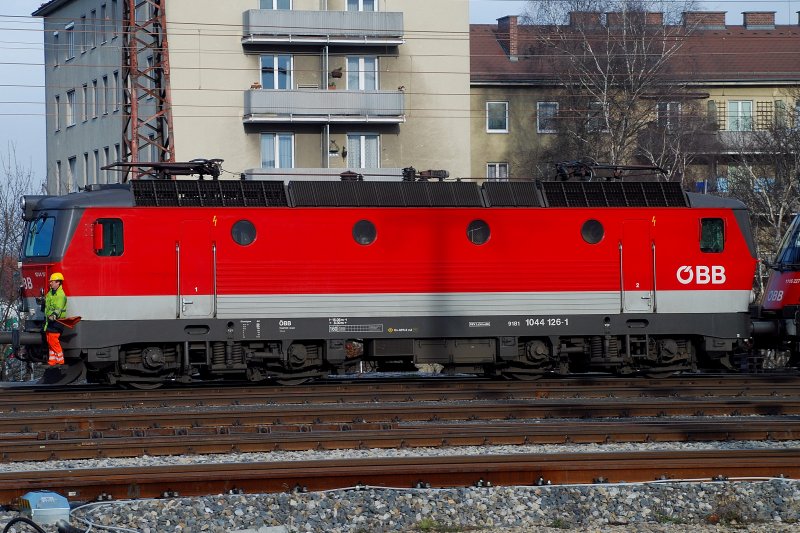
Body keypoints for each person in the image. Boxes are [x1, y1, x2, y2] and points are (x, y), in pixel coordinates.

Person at [44, 272, 67, 366]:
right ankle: (53, 360)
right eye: (50, 282)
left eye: (52, 282)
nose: (50, 283)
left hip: (57, 321)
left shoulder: (61, 295)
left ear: (58, 282)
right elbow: (48, 303)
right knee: (49, 340)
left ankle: (60, 359)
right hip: (49, 321)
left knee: (53, 340)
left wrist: (54, 315)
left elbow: (58, 308)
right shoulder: (50, 293)